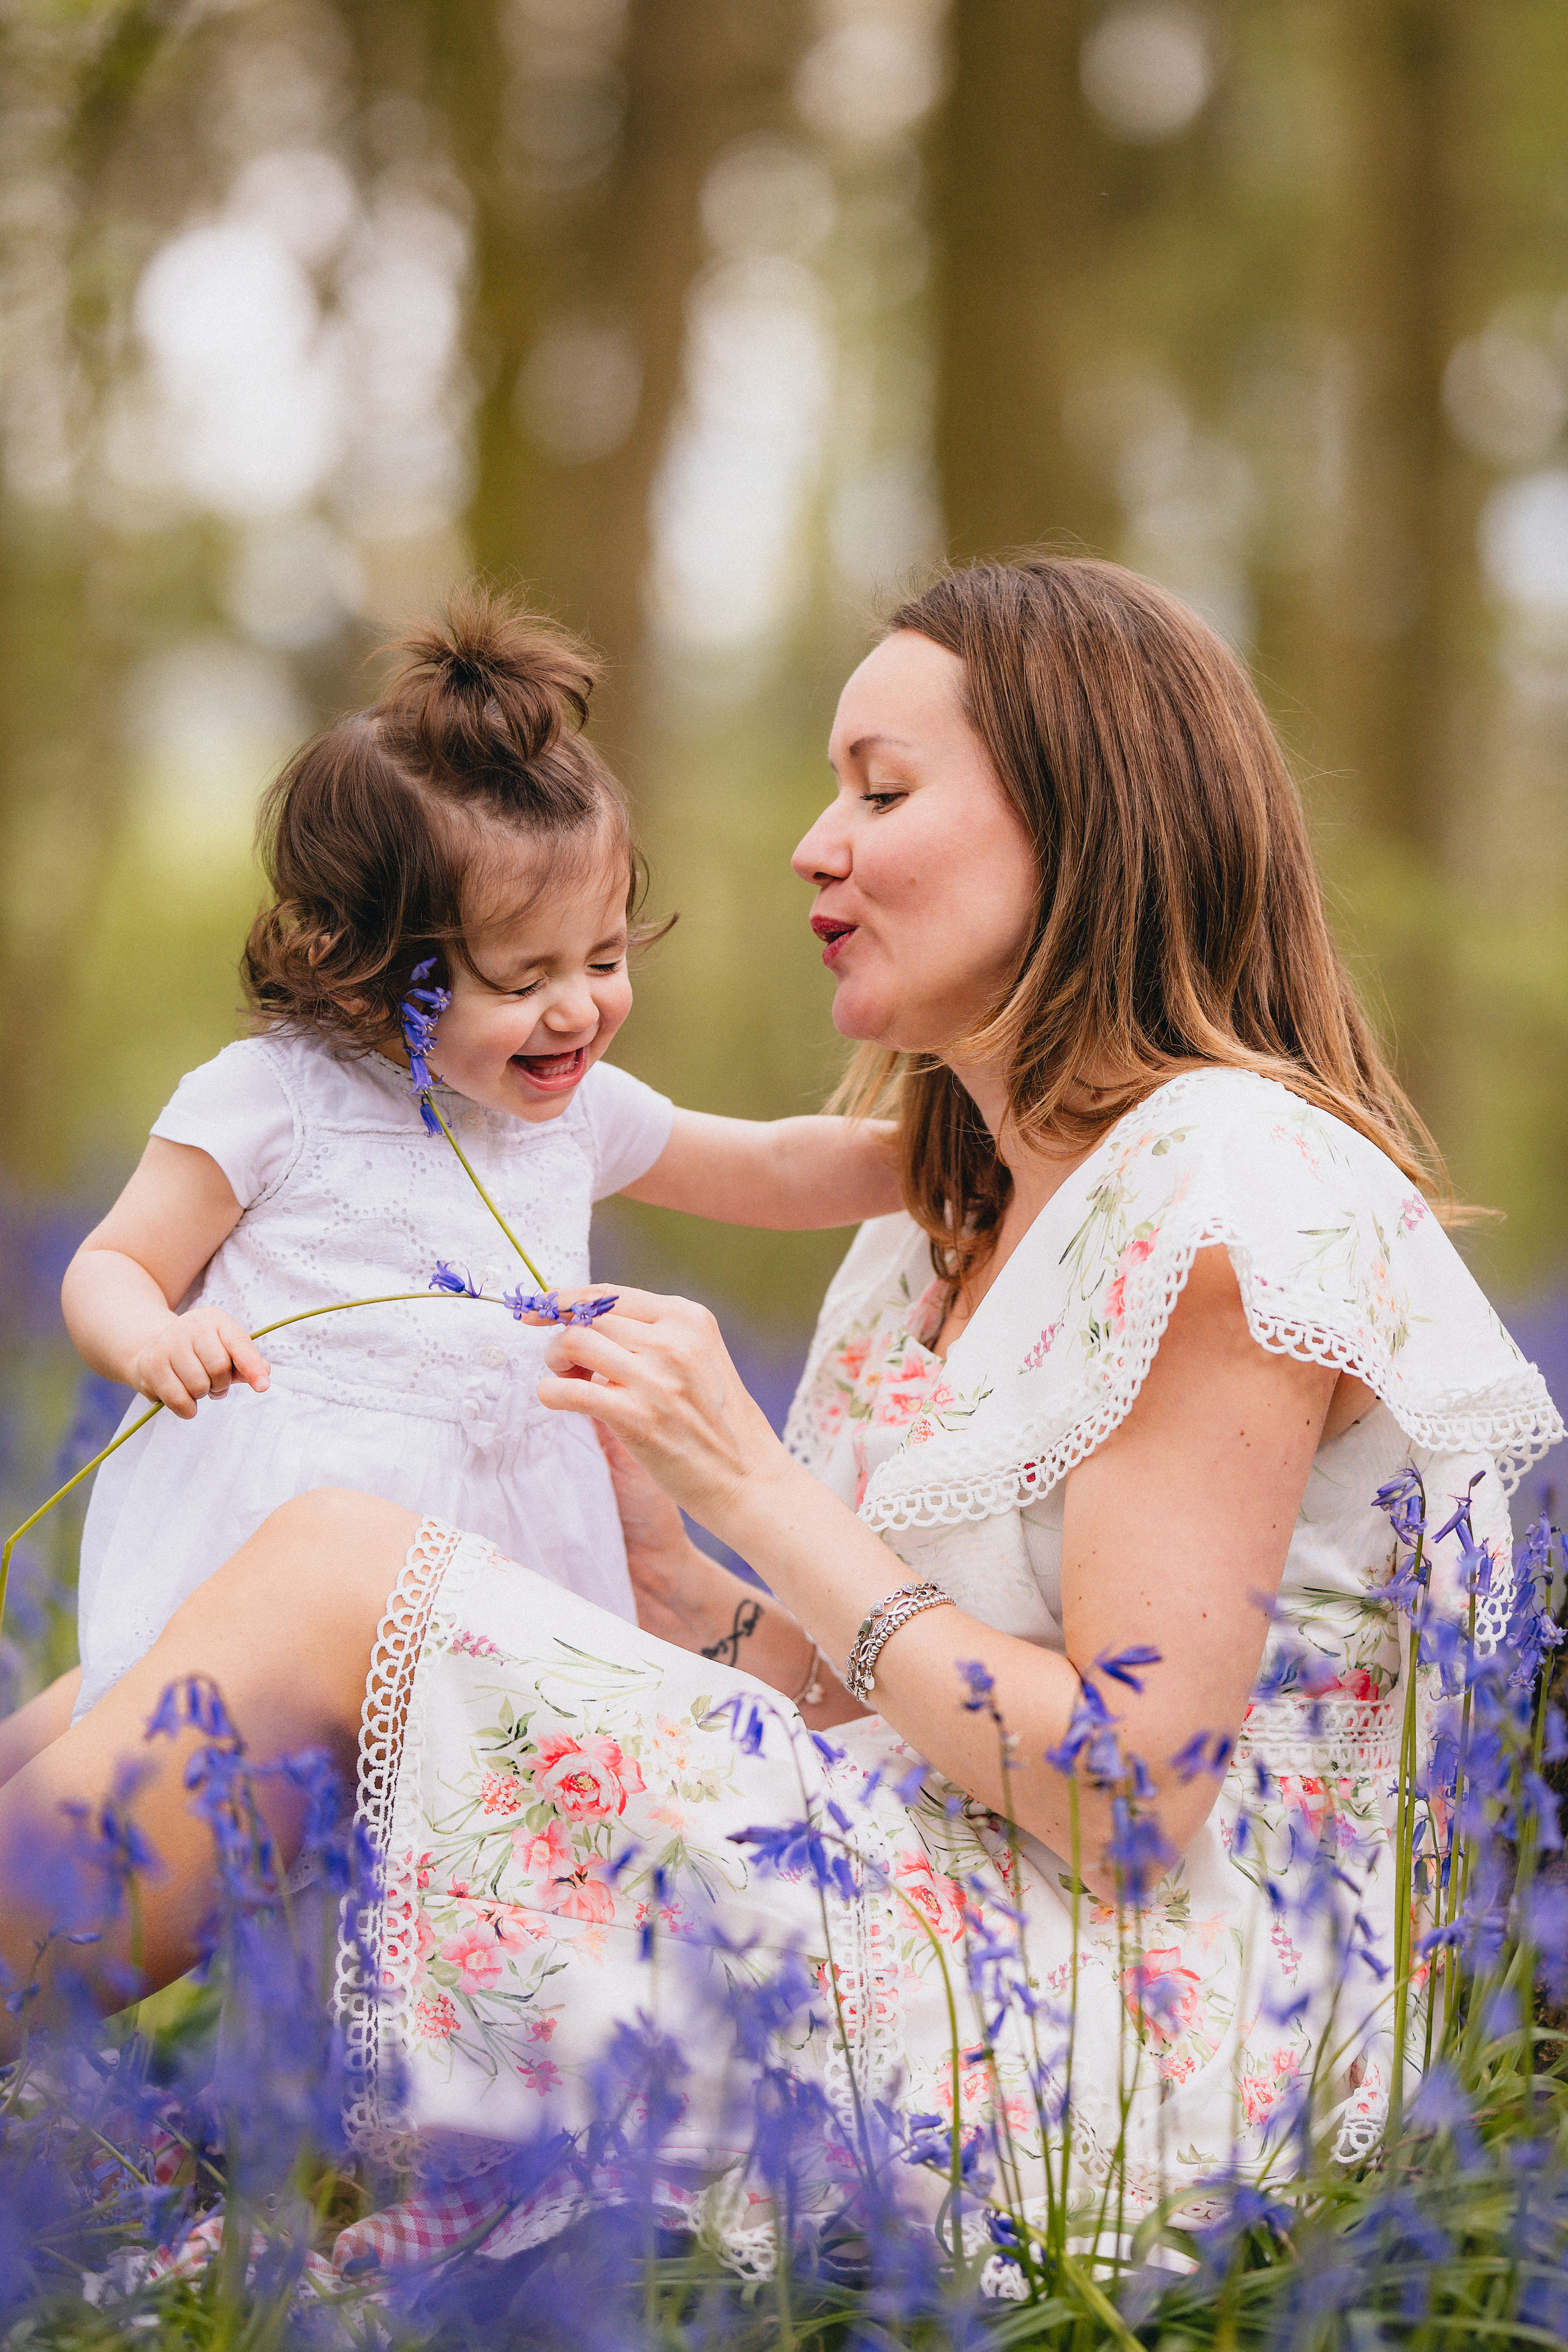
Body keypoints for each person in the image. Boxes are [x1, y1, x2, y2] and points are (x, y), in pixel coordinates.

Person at [1, 557, 1559, 2269]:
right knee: (159, 1672)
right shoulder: (939, 1228)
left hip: (1114, 2036)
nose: (814, 846)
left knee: (326, 1579)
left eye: (880, 791)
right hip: (923, 1888)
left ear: (1083, 824)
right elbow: (871, 1703)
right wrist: (685, 1585)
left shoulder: (1225, 1189)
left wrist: (751, 1485)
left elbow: (1126, 1797)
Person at [38, 591, 897, 1736]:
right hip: (290, 1545)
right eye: (523, 979)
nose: (577, 1010)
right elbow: (111, 1265)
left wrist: (957, 1152)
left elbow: (777, 1170)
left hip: (519, 1543)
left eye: (604, 959)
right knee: (231, 1775)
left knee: (466, 1798)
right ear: (370, 967)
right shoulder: (276, 1100)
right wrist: (154, 1340)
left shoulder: (574, 1114)